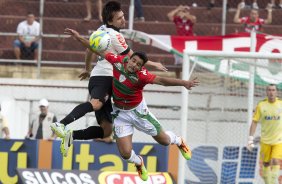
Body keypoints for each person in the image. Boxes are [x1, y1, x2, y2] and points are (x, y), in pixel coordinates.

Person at [62, 28, 199, 180]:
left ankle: (179, 141)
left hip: (139, 113)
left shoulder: (142, 76)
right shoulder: (119, 61)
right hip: (121, 114)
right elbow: (96, 48)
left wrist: (184, 82)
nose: (134, 65)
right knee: (126, 154)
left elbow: (162, 81)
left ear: (141, 67)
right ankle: (139, 162)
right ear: (130, 58)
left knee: (165, 141)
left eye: (138, 64)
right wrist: (78, 37)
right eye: (134, 60)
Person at [51, 1, 166, 142]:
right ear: (110, 21)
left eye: (123, 16)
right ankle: (61, 124)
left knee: (106, 131)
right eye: (120, 18)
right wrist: (155, 64)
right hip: (104, 77)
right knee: (96, 104)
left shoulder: (100, 30)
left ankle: (70, 136)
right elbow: (133, 57)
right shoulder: (116, 36)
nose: (124, 19)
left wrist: (87, 69)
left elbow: (90, 49)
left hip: (100, 77)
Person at [247, 84, 282, 184]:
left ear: (276, 92)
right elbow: (254, 122)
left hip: (278, 141)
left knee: (275, 160)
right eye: (269, 90)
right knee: (266, 164)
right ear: (266, 92)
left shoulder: (281, 104)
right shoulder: (261, 105)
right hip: (265, 141)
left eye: (273, 90)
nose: (271, 92)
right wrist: (250, 139)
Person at [167, 5, 196, 79]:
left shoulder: (190, 19)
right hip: (180, 43)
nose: (184, 13)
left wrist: (185, 13)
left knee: (188, 62)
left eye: (186, 11)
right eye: (183, 11)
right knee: (178, 63)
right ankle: (177, 77)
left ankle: (186, 77)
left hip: (189, 43)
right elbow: (169, 16)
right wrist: (178, 9)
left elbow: (193, 19)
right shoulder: (178, 19)